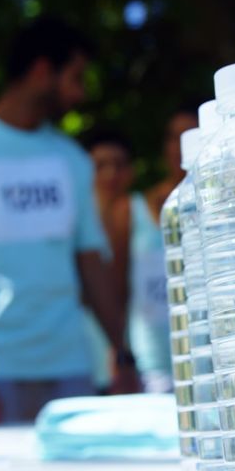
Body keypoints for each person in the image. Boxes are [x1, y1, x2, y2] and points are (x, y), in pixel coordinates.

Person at [0, 18, 140, 426]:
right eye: (75, 77)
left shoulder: (71, 159)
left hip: (68, 365)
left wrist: (122, 352)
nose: (81, 92)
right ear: (42, 71)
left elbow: (90, 261)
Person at [84, 128, 179, 393]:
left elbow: (120, 289)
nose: (110, 174)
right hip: (92, 358)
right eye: (100, 165)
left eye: (119, 165)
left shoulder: (128, 212)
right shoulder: (70, 225)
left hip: (132, 361)